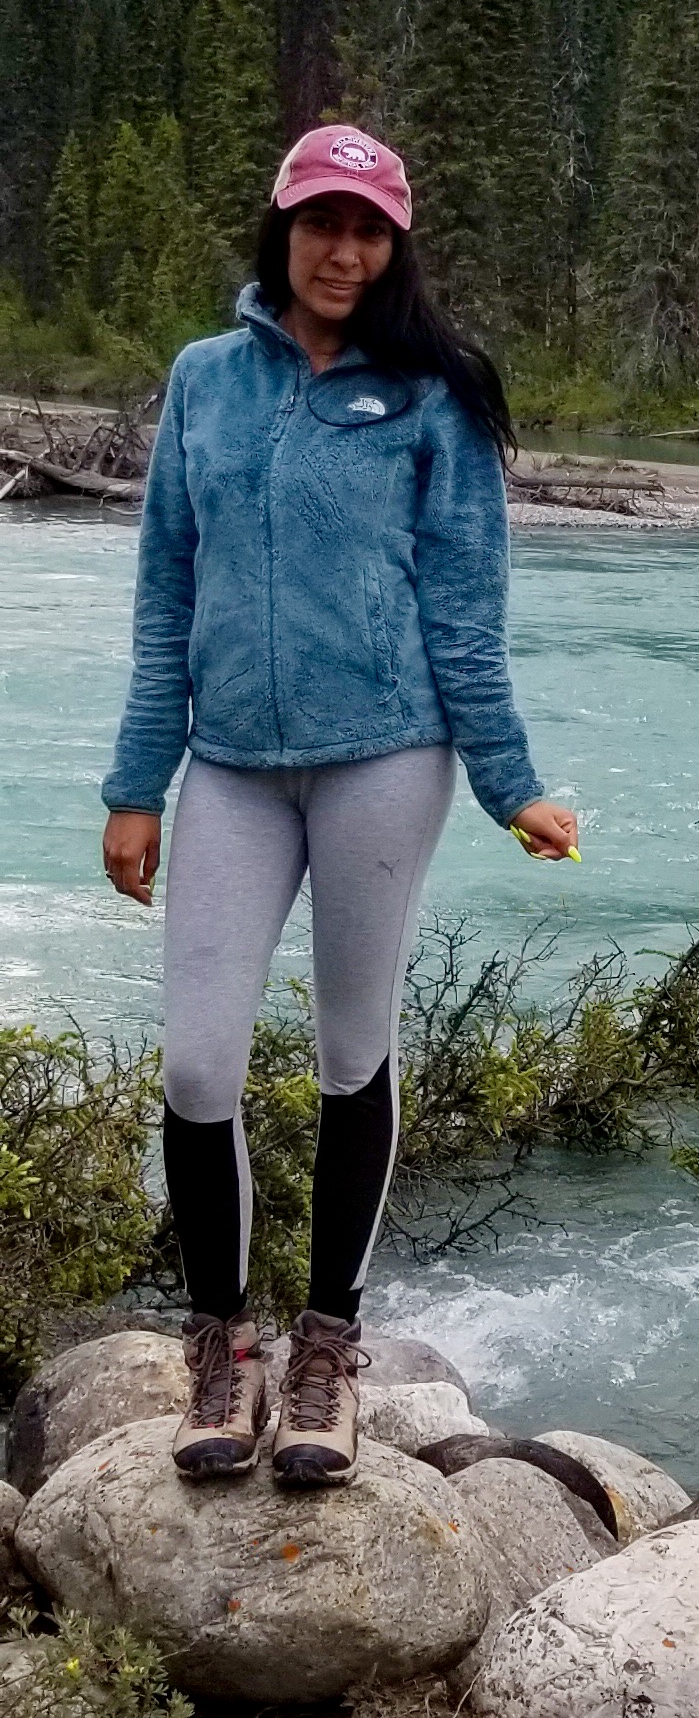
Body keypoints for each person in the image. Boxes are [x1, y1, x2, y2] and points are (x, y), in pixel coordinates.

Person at [101, 123, 578, 1488]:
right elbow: (164, 599)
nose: (343, 251)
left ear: (397, 244)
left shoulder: (434, 396)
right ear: (282, 228)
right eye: (322, 223)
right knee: (198, 1063)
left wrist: (511, 784)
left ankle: (325, 1356)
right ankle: (224, 1349)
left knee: (348, 1052)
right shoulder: (205, 383)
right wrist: (137, 785)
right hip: (232, 768)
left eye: (368, 229)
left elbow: (467, 618)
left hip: (386, 756)